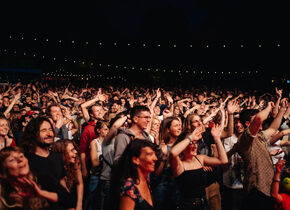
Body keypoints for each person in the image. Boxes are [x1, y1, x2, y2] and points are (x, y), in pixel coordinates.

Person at [235, 100, 287, 210]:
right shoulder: (244, 139)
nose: (261, 122)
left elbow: (273, 129)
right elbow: (259, 118)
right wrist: (268, 106)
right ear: (248, 124)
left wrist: (282, 109)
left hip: (267, 188)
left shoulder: (259, 136)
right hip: (256, 191)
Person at [170, 124, 228, 210]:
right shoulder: (179, 164)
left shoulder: (200, 159)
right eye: (191, 144)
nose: (195, 146)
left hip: (203, 204)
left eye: (196, 143)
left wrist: (217, 138)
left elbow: (223, 160)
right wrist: (190, 137)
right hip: (187, 206)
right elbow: (173, 153)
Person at [19, 116, 71, 209]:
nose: (49, 133)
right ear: (34, 134)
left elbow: (62, 183)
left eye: (50, 129)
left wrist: (70, 205)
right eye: (43, 130)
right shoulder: (26, 161)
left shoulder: (57, 156)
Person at [111, 139, 158, 210]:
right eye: (150, 154)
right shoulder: (129, 187)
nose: (155, 158)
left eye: (154, 154)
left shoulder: (146, 180)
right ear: (136, 160)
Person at [151, 116, 182, 210]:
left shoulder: (183, 146)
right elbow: (156, 174)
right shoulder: (160, 146)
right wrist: (164, 155)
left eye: (180, 125)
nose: (180, 128)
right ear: (168, 129)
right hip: (163, 190)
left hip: (180, 189)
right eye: (176, 126)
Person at [51, 139, 84, 210]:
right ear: (63, 154)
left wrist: (79, 205)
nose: (76, 152)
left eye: (74, 149)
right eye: (72, 150)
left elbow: (79, 183)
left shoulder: (74, 165)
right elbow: (65, 195)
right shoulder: (56, 169)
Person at [88, 120, 109, 209]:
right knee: (92, 199)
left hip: (107, 176)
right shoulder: (94, 142)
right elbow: (94, 162)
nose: (108, 131)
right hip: (96, 175)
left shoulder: (111, 142)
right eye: (105, 129)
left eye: (108, 129)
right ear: (98, 130)